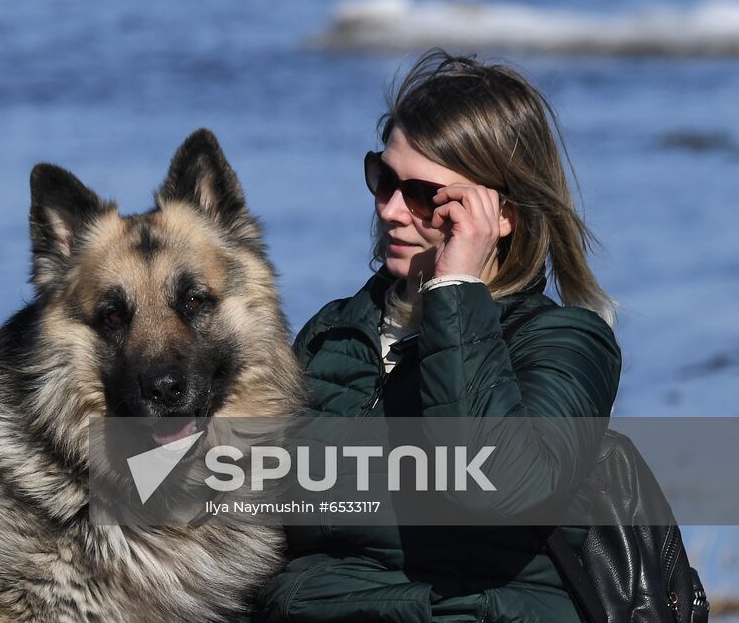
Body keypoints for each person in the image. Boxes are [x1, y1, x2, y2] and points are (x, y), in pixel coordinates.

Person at [253, 48, 622, 623]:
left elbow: (501, 487)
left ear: (502, 215)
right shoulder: (333, 335)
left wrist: (455, 287)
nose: (393, 211)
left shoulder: (566, 343)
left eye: (425, 195)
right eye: (383, 180)